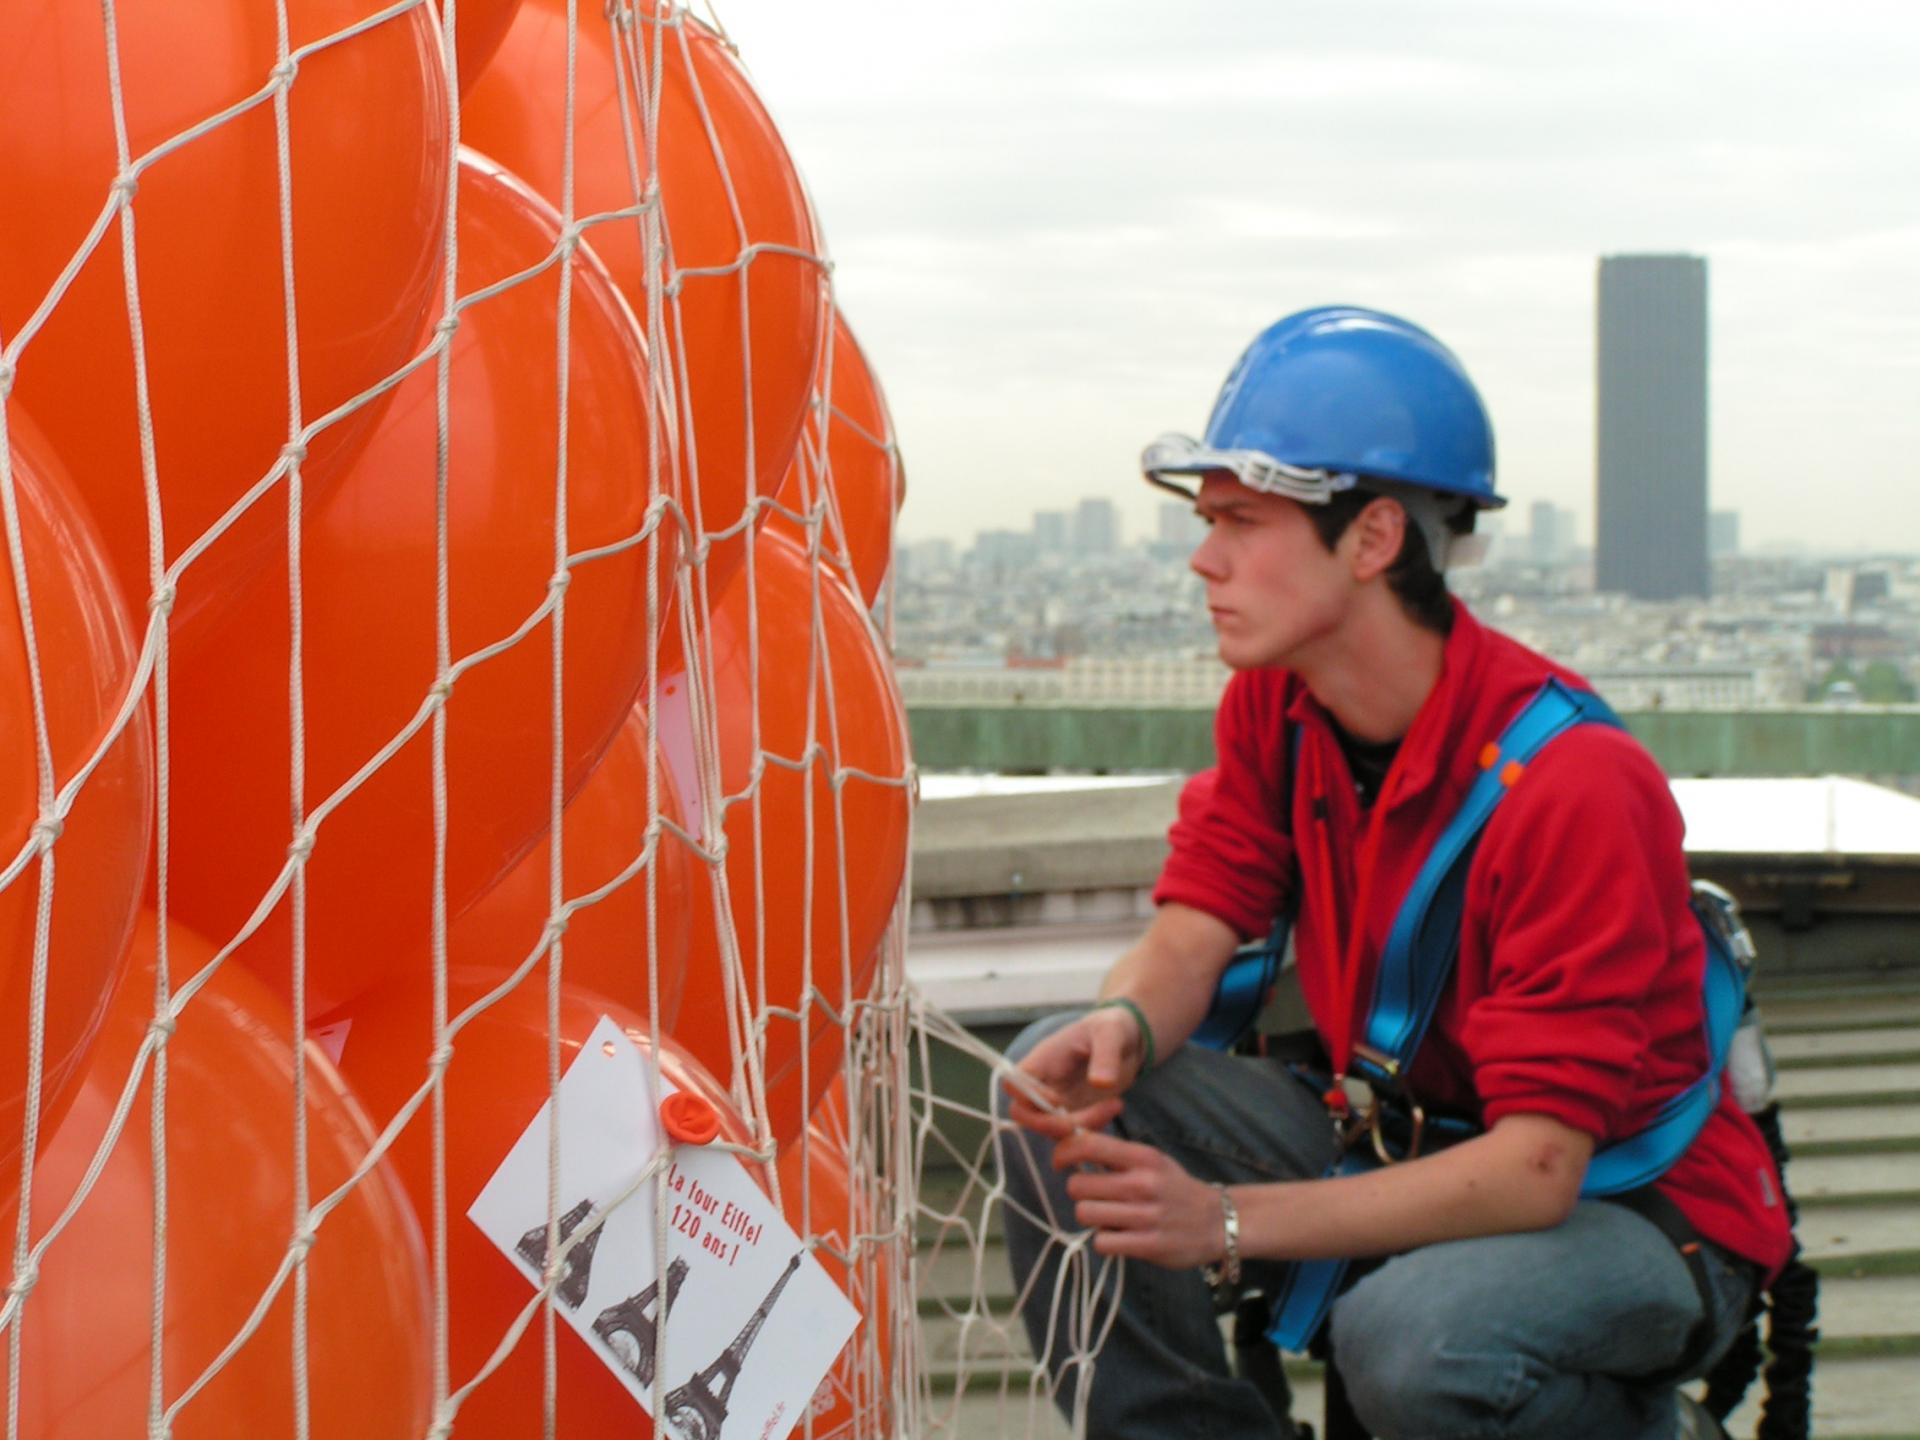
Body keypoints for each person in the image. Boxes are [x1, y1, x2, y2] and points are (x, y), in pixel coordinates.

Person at [994, 306, 1792, 1440]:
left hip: (1640, 1207)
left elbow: (1536, 1170)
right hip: (1417, 1132)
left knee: (1415, 1343)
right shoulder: (1278, 706)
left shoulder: (1573, 785)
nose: (1202, 557)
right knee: (1047, 1091)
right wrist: (1126, 1016)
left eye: (1241, 520)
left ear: (1372, 541)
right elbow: (1196, 923)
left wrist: (1221, 1220)